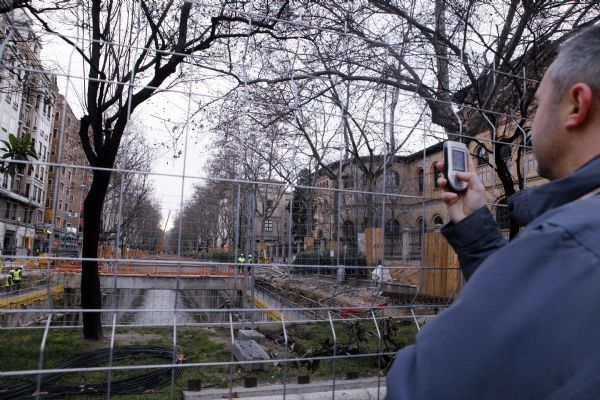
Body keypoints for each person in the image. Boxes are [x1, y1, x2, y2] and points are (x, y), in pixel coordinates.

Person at [387, 25, 600, 399]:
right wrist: (476, 227)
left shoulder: (571, 241)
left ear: (576, 106)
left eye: (538, 103)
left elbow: (426, 386)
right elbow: (543, 319)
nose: (529, 125)